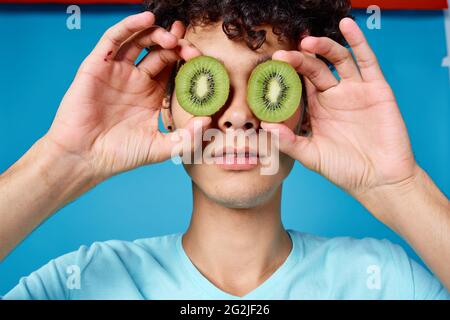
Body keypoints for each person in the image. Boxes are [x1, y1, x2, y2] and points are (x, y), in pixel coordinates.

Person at [1, 0, 449, 299]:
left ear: (305, 110)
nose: (237, 117)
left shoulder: (386, 283)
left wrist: (398, 186)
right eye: (209, 81)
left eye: (268, 84)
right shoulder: (74, 286)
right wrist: (61, 162)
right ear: (167, 106)